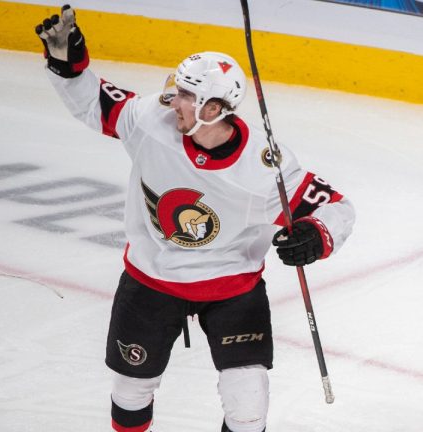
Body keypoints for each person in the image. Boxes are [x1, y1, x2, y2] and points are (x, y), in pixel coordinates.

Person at [36, 6, 355, 432]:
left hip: (231, 287)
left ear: (214, 108)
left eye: (188, 95)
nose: (174, 99)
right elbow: (96, 104)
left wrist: (317, 235)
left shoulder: (264, 167)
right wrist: (67, 66)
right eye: (177, 89)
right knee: (131, 390)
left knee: (248, 406)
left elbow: (336, 207)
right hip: (152, 279)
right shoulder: (153, 120)